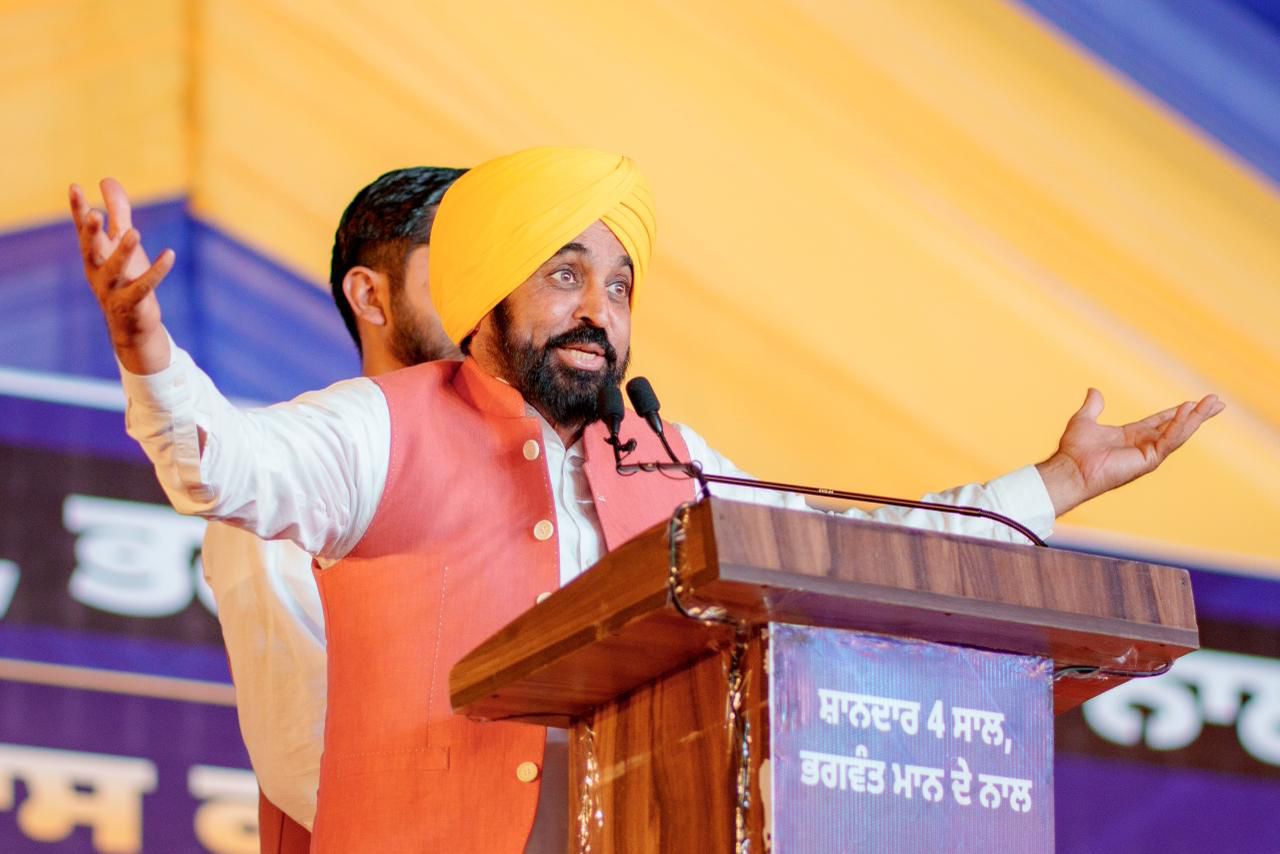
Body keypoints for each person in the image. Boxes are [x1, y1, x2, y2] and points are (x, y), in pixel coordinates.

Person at [70, 147, 1222, 852]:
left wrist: (1054, 483)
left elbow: (844, 556)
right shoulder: (377, 425)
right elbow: (222, 464)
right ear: (487, 292)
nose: (599, 310)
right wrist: (145, 348)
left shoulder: (664, 454)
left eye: (619, 286)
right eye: (563, 274)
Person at [70, 167, 466, 852]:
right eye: (458, 274)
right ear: (370, 295)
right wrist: (142, 345)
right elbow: (307, 753)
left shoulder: (547, 469)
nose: (486, 303)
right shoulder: (287, 495)